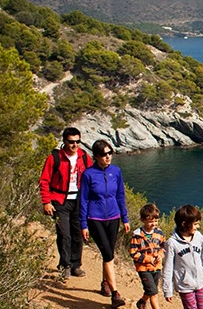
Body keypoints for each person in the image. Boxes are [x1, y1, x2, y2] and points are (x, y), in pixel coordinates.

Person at [80, 139, 130, 307]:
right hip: (95, 218)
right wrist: (83, 224)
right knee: (108, 255)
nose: (108, 157)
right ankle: (115, 294)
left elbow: (120, 195)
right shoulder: (88, 174)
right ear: (96, 156)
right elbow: (83, 200)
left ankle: (104, 282)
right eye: (104, 154)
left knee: (108, 252)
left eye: (110, 153)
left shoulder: (116, 171)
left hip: (114, 217)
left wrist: (125, 218)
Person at [38, 127, 91, 280]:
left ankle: (76, 265)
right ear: (64, 141)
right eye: (71, 142)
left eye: (77, 141)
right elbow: (44, 180)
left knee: (78, 234)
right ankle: (65, 265)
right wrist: (46, 201)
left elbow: (91, 178)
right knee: (64, 234)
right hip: (60, 200)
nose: (75, 145)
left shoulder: (84, 157)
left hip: (79, 201)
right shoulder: (54, 158)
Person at [163, 205, 203, 309]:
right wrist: (167, 290)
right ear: (184, 224)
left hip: (200, 283)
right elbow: (168, 268)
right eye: (195, 224)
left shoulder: (199, 237)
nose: (198, 227)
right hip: (185, 286)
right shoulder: (172, 243)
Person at [130, 203, 166, 309]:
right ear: (143, 220)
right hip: (143, 268)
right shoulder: (137, 235)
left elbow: (164, 248)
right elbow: (133, 253)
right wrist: (148, 259)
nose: (154, 223)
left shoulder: (160, 233)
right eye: (151, 221)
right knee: (154, 293)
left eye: (155, 221)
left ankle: (141, 302)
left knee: (151, 289)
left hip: (156, 267)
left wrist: (160, 255)